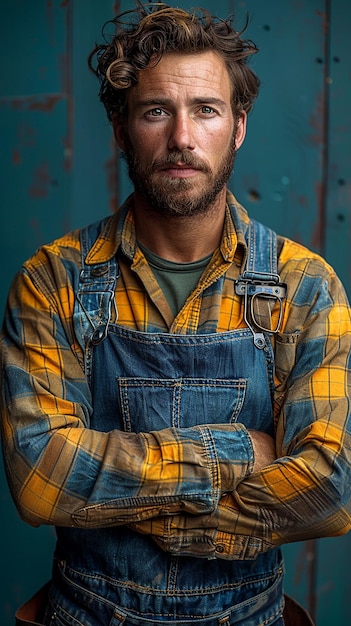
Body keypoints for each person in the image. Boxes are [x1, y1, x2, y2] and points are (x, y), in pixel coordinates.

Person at [1, 2, 351, 625]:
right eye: (156, 111)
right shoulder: (53, 281)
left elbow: (329, 489)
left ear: (238, 126)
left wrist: (157, 509)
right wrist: (243, 454)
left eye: (207, 111)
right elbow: (40, 478)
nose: (183, 138)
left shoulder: (305, 286)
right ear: (121, 128)